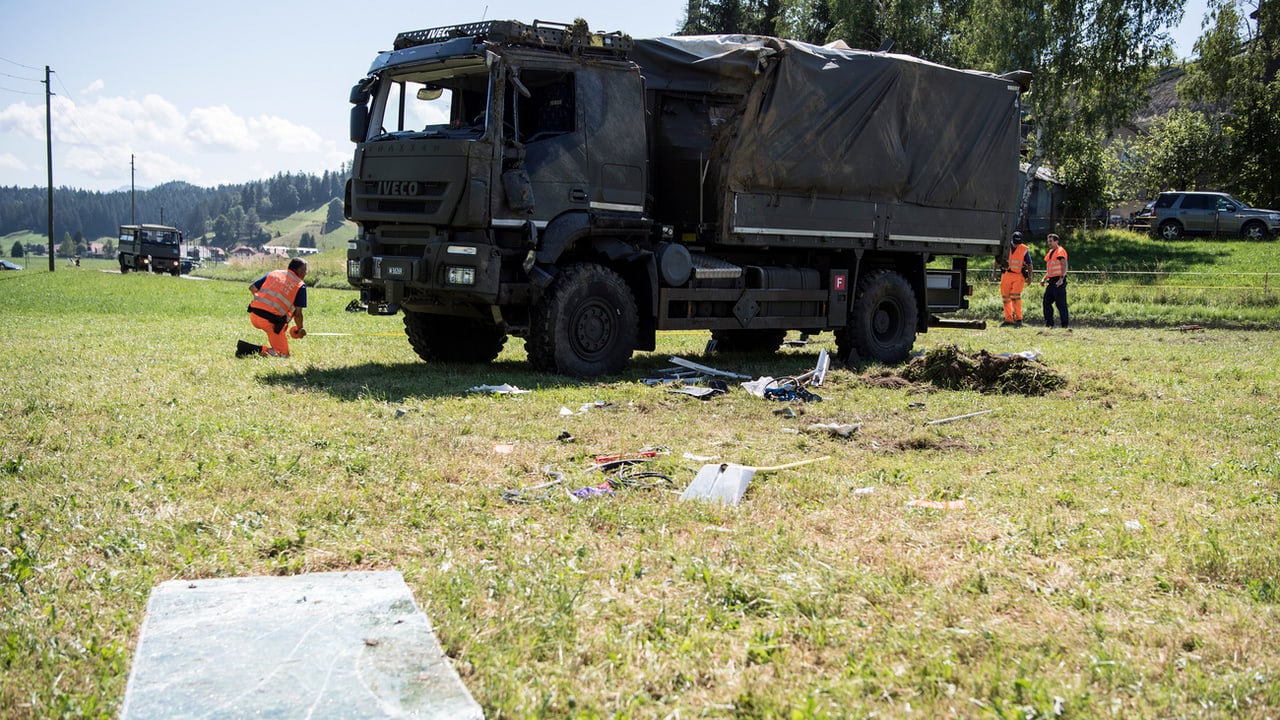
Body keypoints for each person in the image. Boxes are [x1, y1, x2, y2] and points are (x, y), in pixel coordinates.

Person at [236, 258, 308, 357]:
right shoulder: (300, 285)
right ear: (299, 270)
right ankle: (247, 349)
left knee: (280, 341)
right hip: (270, 322)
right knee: (283, 354)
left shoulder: (274, 273)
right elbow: (298, 314)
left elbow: (252, 287)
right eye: (305, 270)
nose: (306, 273)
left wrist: (261, 303)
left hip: (254, 315)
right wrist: (300, 329)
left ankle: (247, 349)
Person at [1000, 231, 1032, 327]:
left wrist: (1030, 277)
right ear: (1011, 240)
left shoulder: (1024, 249)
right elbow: (997, 260)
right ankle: (1008, 319)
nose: (1017, 244)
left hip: (1018, 275)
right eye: (1015, 242)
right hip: (1006, 275)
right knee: (1005, 298)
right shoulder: (1005, 247)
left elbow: (1029, 264)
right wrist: (994, 273)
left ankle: (1018, 319)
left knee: (1015, 297)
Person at [1041, 233, 1069, 329]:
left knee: (1061, 304)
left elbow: (1065, 265)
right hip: (1051, 281)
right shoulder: (1050, 252)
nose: (1049, 243)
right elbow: (1050, 269)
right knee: (1046, 302)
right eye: (1048, 241)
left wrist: (1061, 278)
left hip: (1059, 281)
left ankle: (1064, 325)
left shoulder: (1060, 251)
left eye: (1051, 241)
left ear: (1056, 241)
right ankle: (1049, 324)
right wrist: (1044, 278)